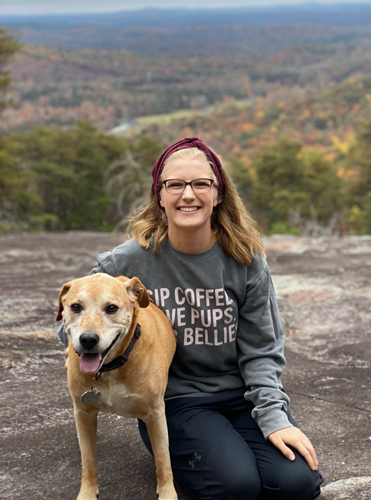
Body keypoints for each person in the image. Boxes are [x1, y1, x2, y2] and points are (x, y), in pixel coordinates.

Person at [59, 137, 323, 500]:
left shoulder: (245, 261)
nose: (188, 195)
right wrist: (81, 343)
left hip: (241, 396)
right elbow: (77, 313)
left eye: (201, 184)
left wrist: (274, 416)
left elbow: (262, 350)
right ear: (160, 195)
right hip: (179, 403)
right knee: (237, 487)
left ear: (217, 195)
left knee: (298, 484)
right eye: (175, 185)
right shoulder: (127, 262)